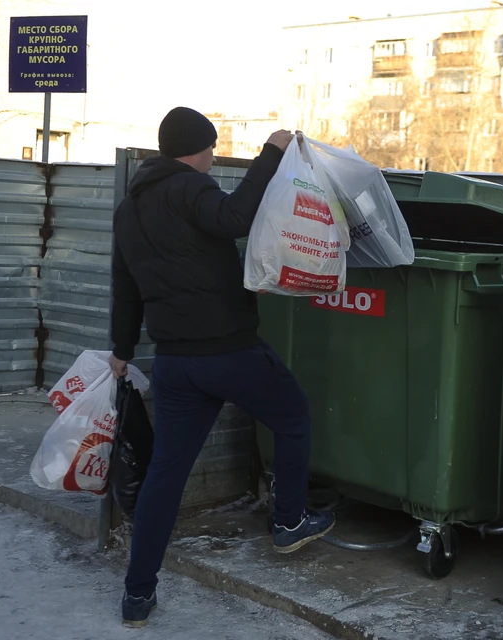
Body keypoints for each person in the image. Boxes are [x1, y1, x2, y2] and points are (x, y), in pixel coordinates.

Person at [108, 107, 334, 628]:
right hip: (229, 353)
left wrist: (122, 349)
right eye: (210, 148)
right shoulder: (191, 189)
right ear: (199, 148)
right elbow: (235, 218)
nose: (212, 157)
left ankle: (137, 594)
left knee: (166, 474)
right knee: (294, 416)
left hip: (175, 363)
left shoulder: (130, 209)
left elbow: (127, 290)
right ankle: (290, 522)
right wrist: (271, 154)